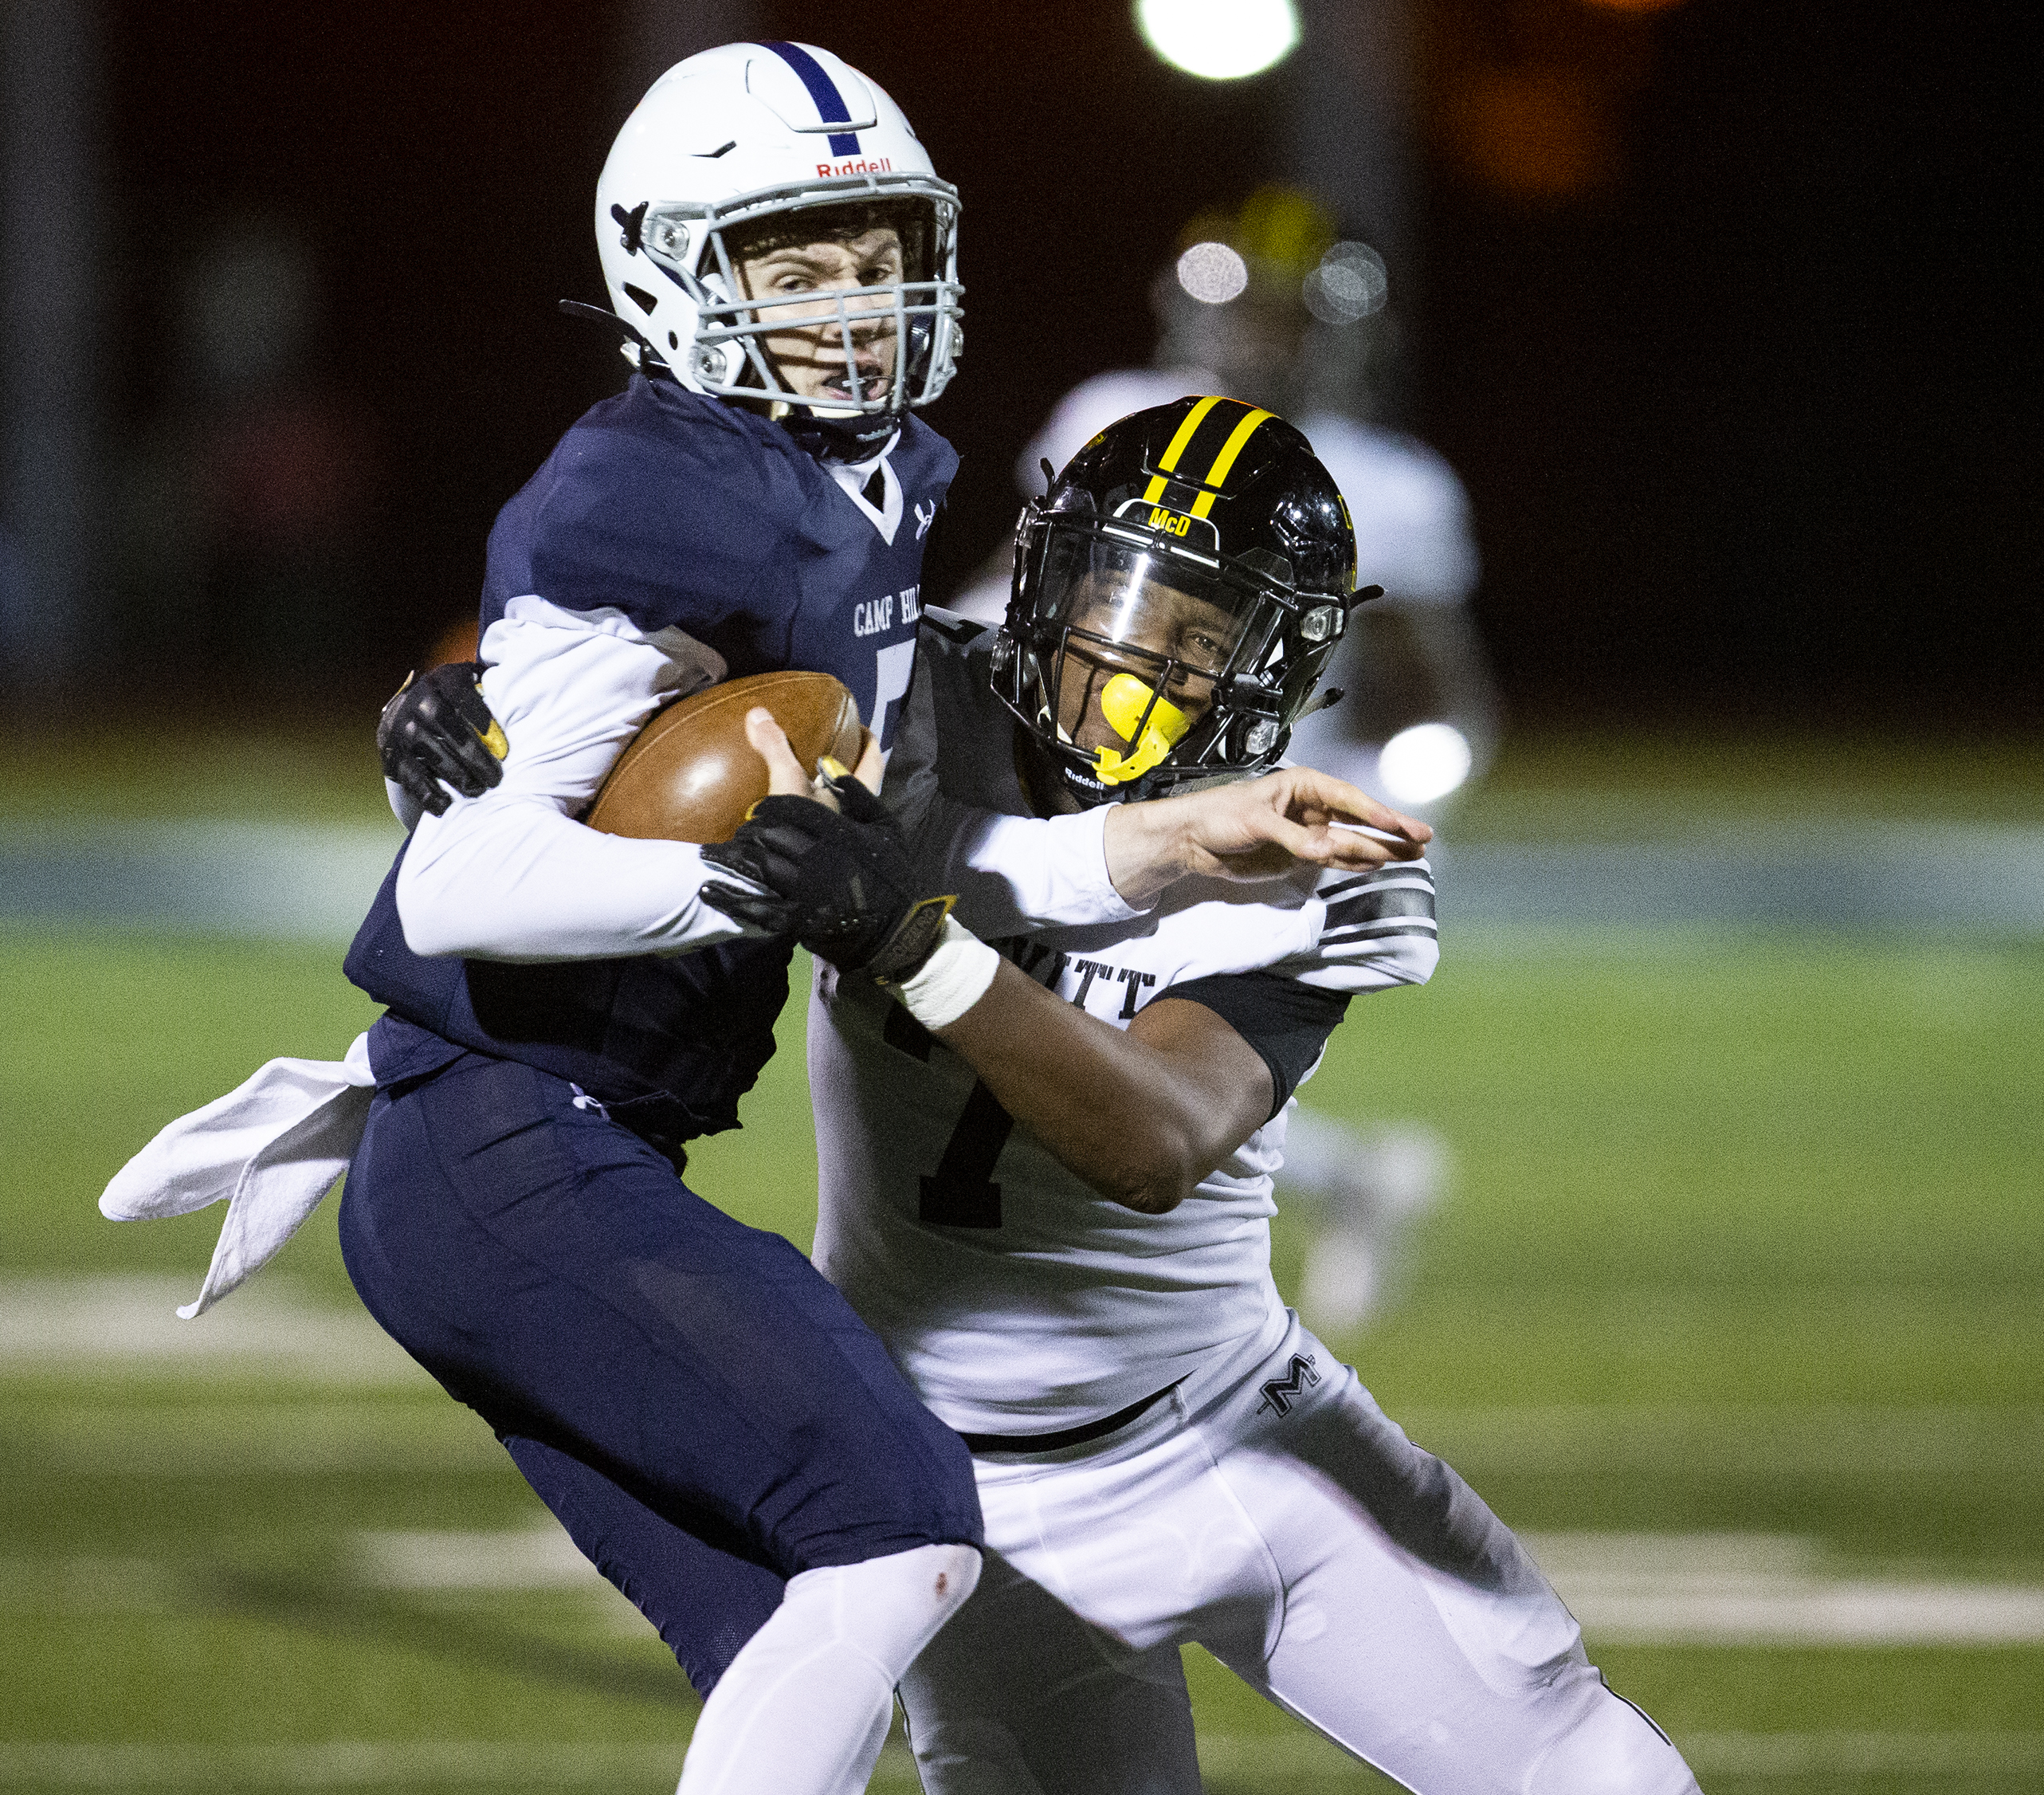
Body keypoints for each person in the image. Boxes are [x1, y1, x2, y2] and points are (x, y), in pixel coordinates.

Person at [131, 43, 1420, 1795]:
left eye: (874, 251)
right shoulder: (664, 487)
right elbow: (463, 879)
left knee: (804, 1639)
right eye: (793, 265)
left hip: (540, 1150)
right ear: (671, 268)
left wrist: (1176, 843)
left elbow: (906, 850)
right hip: (505, 1138)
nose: (854, 300)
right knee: (900, 1528)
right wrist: (741, 879)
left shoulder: (858, 481)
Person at [814, 401, 1696, 1791]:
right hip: (954, 1493)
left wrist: (908, 939)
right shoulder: (903, 700)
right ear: (1046, 582)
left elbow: (1152, 1139)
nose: (1137, 668)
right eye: (1121, 602)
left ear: (1279, 663)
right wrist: (477, 727)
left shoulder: (1313, 850)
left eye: (1200, 639)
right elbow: (661, 724)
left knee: (1591, 1779)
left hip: (1230, 1432)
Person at [951, 187, 1501, 1332]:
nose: (1265, 343)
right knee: (1046, 1030)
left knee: (1071, 1032)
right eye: (1251, 315)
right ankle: (1351, 1182)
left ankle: (1124, 1284)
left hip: (1260, 817)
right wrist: (940, 691)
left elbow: (1434, 695)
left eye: (1292, 322)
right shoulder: (1111, 415)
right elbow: (1021, 590)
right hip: (1102, 774)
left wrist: (1380, 817)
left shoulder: (1389, 487)